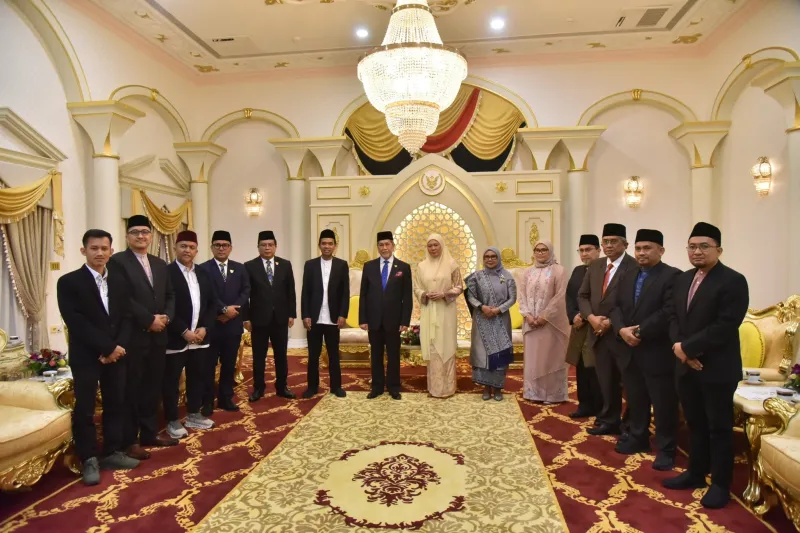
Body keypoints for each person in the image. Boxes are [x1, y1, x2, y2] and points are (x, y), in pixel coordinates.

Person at [662, 222, 748, 509]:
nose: (697, 251)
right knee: (695, 423)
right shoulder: (683, 279)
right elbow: (673, 316)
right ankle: (696, 473)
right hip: (686, 366)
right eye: (692, 246)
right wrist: (681, 349)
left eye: (704, 246)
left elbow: (726, 325)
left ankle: (721, 484)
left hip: (717, 368)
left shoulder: (733, 281)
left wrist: (688, 348)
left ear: (718, 250)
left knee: (719, 428)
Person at [57, 229, 139, 485]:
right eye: (94, 248)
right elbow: (76, 322)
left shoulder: (120, 281)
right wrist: (107, 348)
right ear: (84, 250)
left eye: (104, 248)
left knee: (116, 403)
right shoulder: (69, 282)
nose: (99, 253)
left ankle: (112, 452)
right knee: (85, 408)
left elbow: (127, 317)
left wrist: (118, 348)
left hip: (116, 355)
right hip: (86, 356)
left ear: (111, 251)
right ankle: (89, 458)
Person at [609, 229, 681, 470]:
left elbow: (668, 311)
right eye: (638, 248)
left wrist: (639, 332)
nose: (641, 253)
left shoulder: (672, 276)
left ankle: (666, 449)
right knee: (636, 398)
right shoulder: (627, 274)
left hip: (656, 351)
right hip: (630, 350)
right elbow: (615, 307)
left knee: (663, 403)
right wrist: (621, 330)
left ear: (661, 250)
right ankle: (638, 438)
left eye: (647, 248)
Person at [111, 215, 177, 458]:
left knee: (152, 386)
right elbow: (122, 298)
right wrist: (149, 320)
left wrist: (166, 317)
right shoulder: (117, 262)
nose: (141, 236)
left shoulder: (159, 263)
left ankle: (150, 433)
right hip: (133, 337)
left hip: (158, 337)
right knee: (131, 389)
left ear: (151, 236)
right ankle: (130, 440)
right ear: (127, 236)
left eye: (145, 232)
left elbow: (170, 295)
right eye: (135, 232)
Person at [578, 223, 637, 436]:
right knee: (606, 380)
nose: (609, 245)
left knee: (630, 383)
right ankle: (609, 420)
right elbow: (583, 296)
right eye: (605, 242)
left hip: (621, 334)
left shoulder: (635, 266)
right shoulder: (596, 266)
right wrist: (592, 318)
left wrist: (610, 322)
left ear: (625, 244)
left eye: (614, 241)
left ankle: (631, 424)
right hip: (597, 334)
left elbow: (634, 301)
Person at [163, 231, 217, 439]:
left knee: (197, 378)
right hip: (176, 338)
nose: (187, 250)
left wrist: (205, 328)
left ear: (197, 250)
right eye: (183, 246)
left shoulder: (204, 273)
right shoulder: (166, 273)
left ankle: (194, 413)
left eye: (191, 247)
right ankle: (172, 419)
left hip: (200, 338)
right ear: (175, 248)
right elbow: (166, 306)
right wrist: (183, 331)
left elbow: (212, 304)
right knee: (171, 381)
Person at [359, 231, 413, 400]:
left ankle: (394, 387)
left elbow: (407, 297)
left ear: (393, 246)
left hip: (394, 320)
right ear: (377, 247)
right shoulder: (369, 266)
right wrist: (363, 319)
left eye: (387, 244)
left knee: (393, 355)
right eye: (381, 245)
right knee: (376, 355)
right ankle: (376, 387)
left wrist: (405, 320)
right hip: (373, 320)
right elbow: (363, 295)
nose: (384, 248)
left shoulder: (403, 267)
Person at [200, 230, 250, 413]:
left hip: (233, 324)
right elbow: (205, 295)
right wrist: (223, 309)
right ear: (211, 247)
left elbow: (246, 291)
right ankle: (207, 400)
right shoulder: (203, 269)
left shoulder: (240, 268)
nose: (221, 248)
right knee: (208, 365)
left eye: (225, 245)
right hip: (212, 324)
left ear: (230, 248)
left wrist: (232, 312)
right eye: (217, 245)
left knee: (229, 364)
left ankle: (225, 398)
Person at [244, 230, 297, 401]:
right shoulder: (249, 266)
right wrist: (246, 318)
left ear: (275, 246)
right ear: (258, 247)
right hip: (258, 319)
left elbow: (291, 291)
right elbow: (245, 294)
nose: (267, 248)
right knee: (259, 356)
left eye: (270, 245)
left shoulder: (285, 264)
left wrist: (292, 314)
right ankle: (258, 388)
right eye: (263, 245)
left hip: (280, 318)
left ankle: (282, 387)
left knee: (281, 355)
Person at [301, 229, 350, 399]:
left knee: (334, 354)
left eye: (330, 243)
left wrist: (343, 314)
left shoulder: (342, 265)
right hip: (314, 318)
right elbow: (305, 293)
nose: (327, 246)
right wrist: (305, 315)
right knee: (313, 356)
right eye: (324, 243)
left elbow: (345, 293)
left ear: (335, 246)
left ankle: (336, 387)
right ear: (319, 245)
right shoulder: (310, 265)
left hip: (333, 318)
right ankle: (312, 387)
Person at [414, 234, 464, 398]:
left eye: (436, 245)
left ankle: (448, 388)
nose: (433, 248)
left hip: (446, 311)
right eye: (430, 246)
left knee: (446, 345)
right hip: (429, 311)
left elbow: (459, 286)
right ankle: (435, 388)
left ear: (442, 245)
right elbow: (416, 288)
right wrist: (425, 294)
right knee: (433, 347)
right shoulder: (421, 266)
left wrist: (444, 294)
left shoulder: (451, 264)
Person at [519, 241, 569, 403]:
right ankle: (533, 393)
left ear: (550, 251)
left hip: (550, 324)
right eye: (537, 250)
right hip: (531, 324)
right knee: (533, 360)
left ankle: (553, 395)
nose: (540, 253)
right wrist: (527, 315)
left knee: (550, 358)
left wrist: (544, 316)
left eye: (544, 250)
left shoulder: (559, 271)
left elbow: (560, 296)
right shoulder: (527, 272)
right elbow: (521, 296)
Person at [467, 247, 517, 401]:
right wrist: (482, 307)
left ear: (498, 258)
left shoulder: (507, 276)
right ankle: (486, 388)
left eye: (493, 256)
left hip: (501, 319)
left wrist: (497, 310)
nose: (490, 259)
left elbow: (512, 298)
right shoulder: (476, 276)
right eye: (487, 256)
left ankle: (498, 388)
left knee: (499, 352)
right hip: (482, 318)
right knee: (483, 353)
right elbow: (470, 296)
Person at [565, 234, 603, 418]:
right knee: (581, 367)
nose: (584, 254)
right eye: (581, 250)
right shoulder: (578, 271)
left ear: (598, 250)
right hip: (579, 327)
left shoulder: (605, 270)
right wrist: (573, 316)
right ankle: (584, 405)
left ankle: (601, 408)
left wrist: (587, 316)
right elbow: (570, 296)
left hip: (597, 328)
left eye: (588, 250)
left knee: (596, 368)